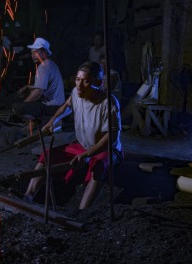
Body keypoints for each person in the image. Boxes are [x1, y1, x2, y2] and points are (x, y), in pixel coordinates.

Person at [23, 61, 123, 210]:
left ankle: (82, 211)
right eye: (78, 79)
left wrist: (88, 155)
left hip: (106, 149)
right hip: (82, 145)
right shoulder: (77, 93)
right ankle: (28, 197)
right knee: (48, 155)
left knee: (99, 166)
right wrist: (52, 122)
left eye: (86, 81)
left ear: (99, 82)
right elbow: (67, 106)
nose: (79, 85)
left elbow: (112, 137)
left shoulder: (108, 104)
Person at [12, 37, 65, 122]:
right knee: (28, 95)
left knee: (17, 107)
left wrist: (24, 105)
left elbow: (38, 92)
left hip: (52, 108)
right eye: (32, 52)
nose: (33, 55)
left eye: (36, 52)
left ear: (44, 53)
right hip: (59, 105)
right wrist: (28, 87)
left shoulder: (43, 66)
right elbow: (44, 86)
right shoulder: (51, 64)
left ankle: (36, 122)